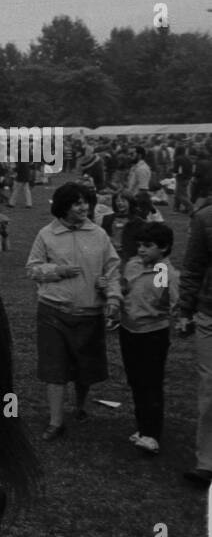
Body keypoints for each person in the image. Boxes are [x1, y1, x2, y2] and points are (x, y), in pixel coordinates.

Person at [26, 182, 121, 441]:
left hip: (89, 313)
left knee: (85, 368)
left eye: (86, 202)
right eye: (77, 203)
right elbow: (32, 269)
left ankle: (80, 406)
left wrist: (112, 296)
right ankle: (56, 422)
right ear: (63, 206)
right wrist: (57, 271)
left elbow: (112, 270)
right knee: (55, 369)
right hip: (53, 312)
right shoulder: (46, 235)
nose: (84, 207)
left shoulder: (99, 234)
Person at [118, 222, 179, 456]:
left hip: (153, 333)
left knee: (151, 383)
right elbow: (126, 289)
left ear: (163, 248)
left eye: (148, 246)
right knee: (135, 381)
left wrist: (178, 314)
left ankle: (152, 433)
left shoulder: (164, 273)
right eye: (139, 245)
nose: (142, 249)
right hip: (129, 330)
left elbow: (167, 299)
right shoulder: (133, 264)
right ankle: (142, 428)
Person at [177, 176, 212, 486]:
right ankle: (206, 460)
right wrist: (185, 311)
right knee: (210, 390)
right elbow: (192, 268)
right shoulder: (204, 218)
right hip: (209, 315)